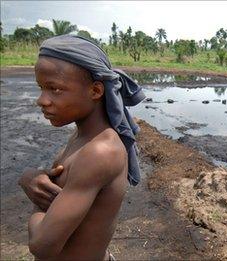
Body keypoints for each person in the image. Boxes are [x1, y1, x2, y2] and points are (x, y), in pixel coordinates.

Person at [18, 35, 145, 260]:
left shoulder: (100, 151)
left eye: (54, 89)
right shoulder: (81, 137)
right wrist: (31, 179)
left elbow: (42, 246)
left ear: (95, 91)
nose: (41, 100)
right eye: (41, 88)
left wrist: (37, 201)